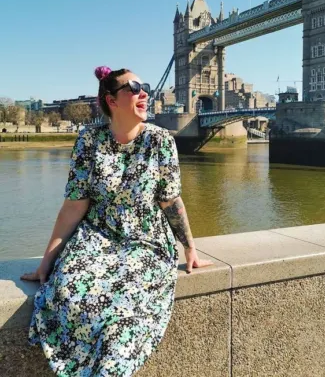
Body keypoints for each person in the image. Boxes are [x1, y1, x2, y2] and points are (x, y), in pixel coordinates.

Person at [21, 66, 213, 376]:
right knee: (67, 289)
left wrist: (190, 248)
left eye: (144, 87)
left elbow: (170, 201)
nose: (144, 93)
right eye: (134, 88)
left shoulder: (160, 140)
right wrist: (47, 262)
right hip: (95, 237)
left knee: (125, 316)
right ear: (111, 100)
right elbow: (73, 207)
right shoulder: (89, 140)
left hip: (145, 240)